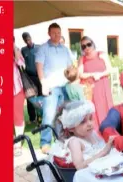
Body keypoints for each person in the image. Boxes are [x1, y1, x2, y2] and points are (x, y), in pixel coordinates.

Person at [35, 23, 73, 154]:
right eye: (54, 33)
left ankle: (60, 139)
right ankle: (45, 143)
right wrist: (43, 84)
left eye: (59, 33)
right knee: (49, 115)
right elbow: (39, 67)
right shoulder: (43, 49)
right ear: (49, 33)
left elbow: (70, 67)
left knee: (63, 116)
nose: (57, 35)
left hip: (64, 87)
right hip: (51, 87)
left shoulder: (64, 49)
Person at [52, 101, 114, 170]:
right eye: (83, 122)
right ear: (71, 128)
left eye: (90, 118)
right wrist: (104, 152)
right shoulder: (74, 142)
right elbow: (80, 166)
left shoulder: (92, 134)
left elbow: (102, 148)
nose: (89, 124)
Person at [78, 36, 113, 131]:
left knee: (105, 108)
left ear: (93, 44)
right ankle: (96, 133)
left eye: (88, 44)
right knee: (94, 110)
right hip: (91, 89)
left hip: (103, 86)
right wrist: (92, 74)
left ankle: (109, 130)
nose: (87, 48)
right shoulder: (82, 59)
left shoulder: (101, 55)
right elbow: (80, 74)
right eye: (84, 46)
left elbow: (109, 69)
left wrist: (100, 74)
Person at [21, 32, 42, 123]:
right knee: (30, 99)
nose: (28, 41)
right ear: (24, 40)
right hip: (29, 78)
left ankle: (40, 117)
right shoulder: (23, 50)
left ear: (31, 38)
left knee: (41, 97)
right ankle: (32, 118)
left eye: (28, 39)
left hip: (39, 76)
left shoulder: (38, 48)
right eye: (26, 40)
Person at [13, 40, 26, 156]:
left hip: (16, 89)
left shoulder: (15, 49)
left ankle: (17, 144)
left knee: (18, 116)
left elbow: (22, 64)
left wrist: (14, 50)